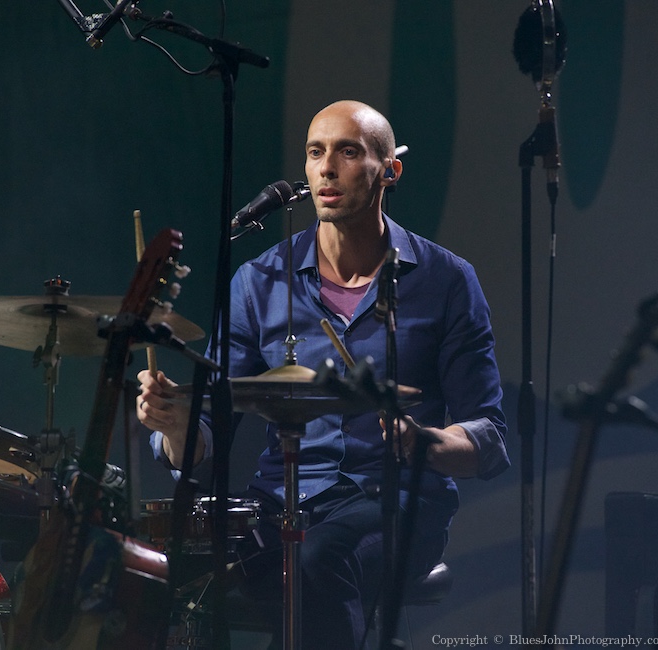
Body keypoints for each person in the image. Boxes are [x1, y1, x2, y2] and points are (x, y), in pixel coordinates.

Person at [137, 99, 510, 649]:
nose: (327, 167)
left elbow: (489, 436)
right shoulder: (258, 280)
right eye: (316, 153)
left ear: (389, 170)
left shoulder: (447, 280)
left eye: (348, 152)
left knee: (315, 559)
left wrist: (423, 442)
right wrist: (175, 427)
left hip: (396, 503)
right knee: (153, 574)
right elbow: (208, 433)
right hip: (281, 501)